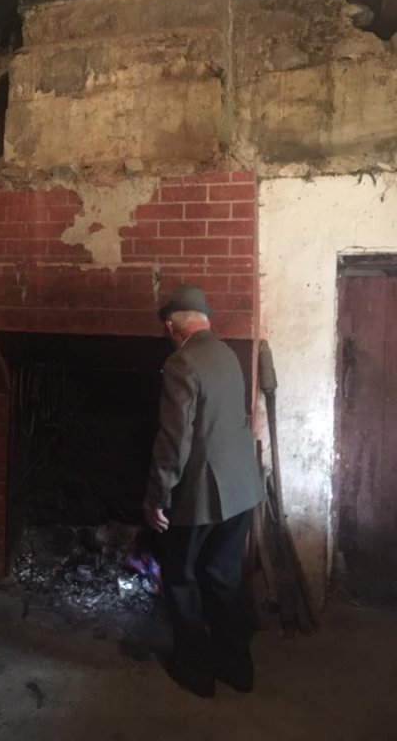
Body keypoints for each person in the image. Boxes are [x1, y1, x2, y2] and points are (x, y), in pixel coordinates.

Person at [143, 284, 264, 698]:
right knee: (224, 575)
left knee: (180, 577)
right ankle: (236, 667)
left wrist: (158, 496)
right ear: (205, 322)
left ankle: (196, 672)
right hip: (242, 489)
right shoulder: (228, 354)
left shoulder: (182, 362)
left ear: (171, 328)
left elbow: (174, 439)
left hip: (201, 496)